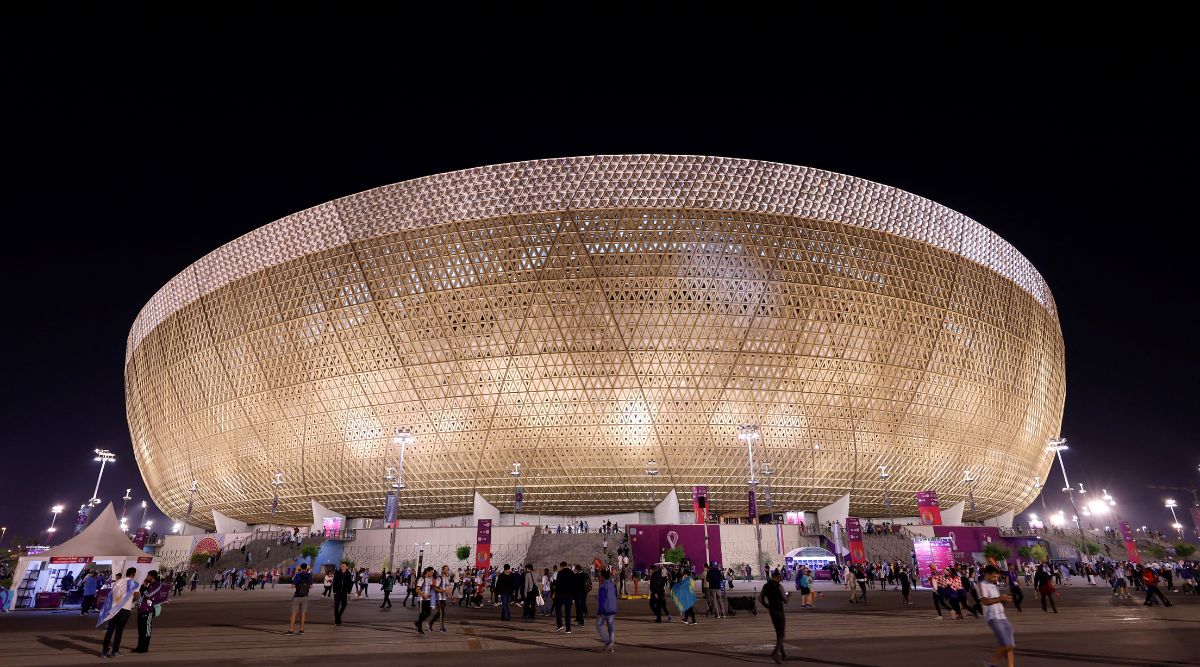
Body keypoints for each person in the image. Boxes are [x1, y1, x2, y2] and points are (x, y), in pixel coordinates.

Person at [98, 567, 140, 658]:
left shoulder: (119, 581)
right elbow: (137, 597)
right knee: (119, 631)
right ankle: (115, 651)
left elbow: (112, 594)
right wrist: (130, 599)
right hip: (125, 609)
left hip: (114, 609)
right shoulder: (135, 583)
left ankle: (104, 652)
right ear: (134, 574)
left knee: (110, 630)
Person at [979, 566, 1015, 667]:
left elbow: (998, 602)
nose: (996, 579)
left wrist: (1004, 601)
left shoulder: (994, 586)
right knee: (1006, 644)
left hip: (1002, 616)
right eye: (994, 577)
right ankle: (992, 664)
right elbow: (985, 601)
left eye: (997, 577)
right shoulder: (982, 585)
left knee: (1010, 645)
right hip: (993, 617)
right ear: (987, 574)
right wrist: (1001, 598)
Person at [133, 570, 170, 653]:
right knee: (141, 630)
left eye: (148, 575)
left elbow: (149, 595)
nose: (146, 577)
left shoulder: (157, 585)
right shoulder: (150, 585)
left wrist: (144, 587)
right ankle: (139, 646)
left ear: (152, 577)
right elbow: (143, 596)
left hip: (149, 610)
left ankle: (144, 648)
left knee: (146, 630)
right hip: (142, 609)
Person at [759, 569, 790, 663]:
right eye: (779, 577)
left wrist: (768, 606)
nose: (780, 579)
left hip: (772, 611)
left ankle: (783, 654)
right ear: (777, 577)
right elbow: (785, 601)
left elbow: (760, 599)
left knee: (778, 633)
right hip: (779, 611)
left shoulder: (766, 586)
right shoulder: (779, 587)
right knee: (782, 634)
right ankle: (775, 653)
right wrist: (789, 595)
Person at [287, 563, 313, 635]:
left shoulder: (298, 574)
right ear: (306, 568)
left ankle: (291, 630)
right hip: (305, 596)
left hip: (297, 596)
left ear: (301, 568)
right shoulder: (309, 575)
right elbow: (311, 586)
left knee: (294, 614)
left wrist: (296, 585)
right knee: (303, 614)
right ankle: (301, 630)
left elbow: (292, 585)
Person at [595, 568, 617, 652]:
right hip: (612, 609)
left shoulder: (603, 586)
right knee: (611, 627)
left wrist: (600, 611)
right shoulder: (612, 585)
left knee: (599, 625)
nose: (599, 577)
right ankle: (611, 647)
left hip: (605, 609)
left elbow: (602, 600)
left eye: (600, 575)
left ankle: (607, 640)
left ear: (603, 577)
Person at [415, 567, 436, 636]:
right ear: (427, 571)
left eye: (433, 572)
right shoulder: (422, 579)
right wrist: (423, 594)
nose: (432, 573)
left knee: (428, 613)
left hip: (427, 599)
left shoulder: (430, 579)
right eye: (431, 572)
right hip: (421, 599)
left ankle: (418, 623)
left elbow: (431, 588)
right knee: (421, 614)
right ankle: (419, 630)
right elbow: (417, 590)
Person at [554, 561, 574, 633]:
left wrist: (555, 594)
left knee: (558, 609)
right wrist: (573, 597)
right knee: (568, 612)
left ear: (561, 566)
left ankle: (560, 624)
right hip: (569, 595)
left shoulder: (560, 573)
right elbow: (573, 585)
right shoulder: (572, 573)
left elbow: (558, 585)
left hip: (561, 595)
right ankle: (568, 629)